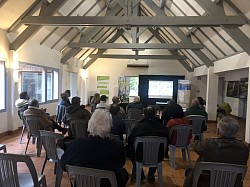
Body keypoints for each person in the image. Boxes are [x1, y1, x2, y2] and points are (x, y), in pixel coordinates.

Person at [61, 109, 129, 187]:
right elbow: (120, 163)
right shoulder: (117, 145)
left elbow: (64, 165)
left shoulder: (76, 144)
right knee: (124, 173)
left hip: (83, 184)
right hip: (108, 184)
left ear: (90, 123)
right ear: (110, 126)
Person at [184, 116, 249, 187]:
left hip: (206, 183)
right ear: (236, 132)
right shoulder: (244, 149)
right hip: (233, 184)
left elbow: (195, 145)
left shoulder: (207, 144)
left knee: (189, 171)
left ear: (218, 131)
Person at [126, 106, 169, 182]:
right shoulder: (163, 127)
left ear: (144, 114)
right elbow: (168, 141)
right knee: (157, 151)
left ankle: (140, 174)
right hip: (158, 156)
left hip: (140, 156)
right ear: (155, 114)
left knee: (130, 150)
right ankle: (151, 174)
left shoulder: (138, 126)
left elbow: (130, 140)